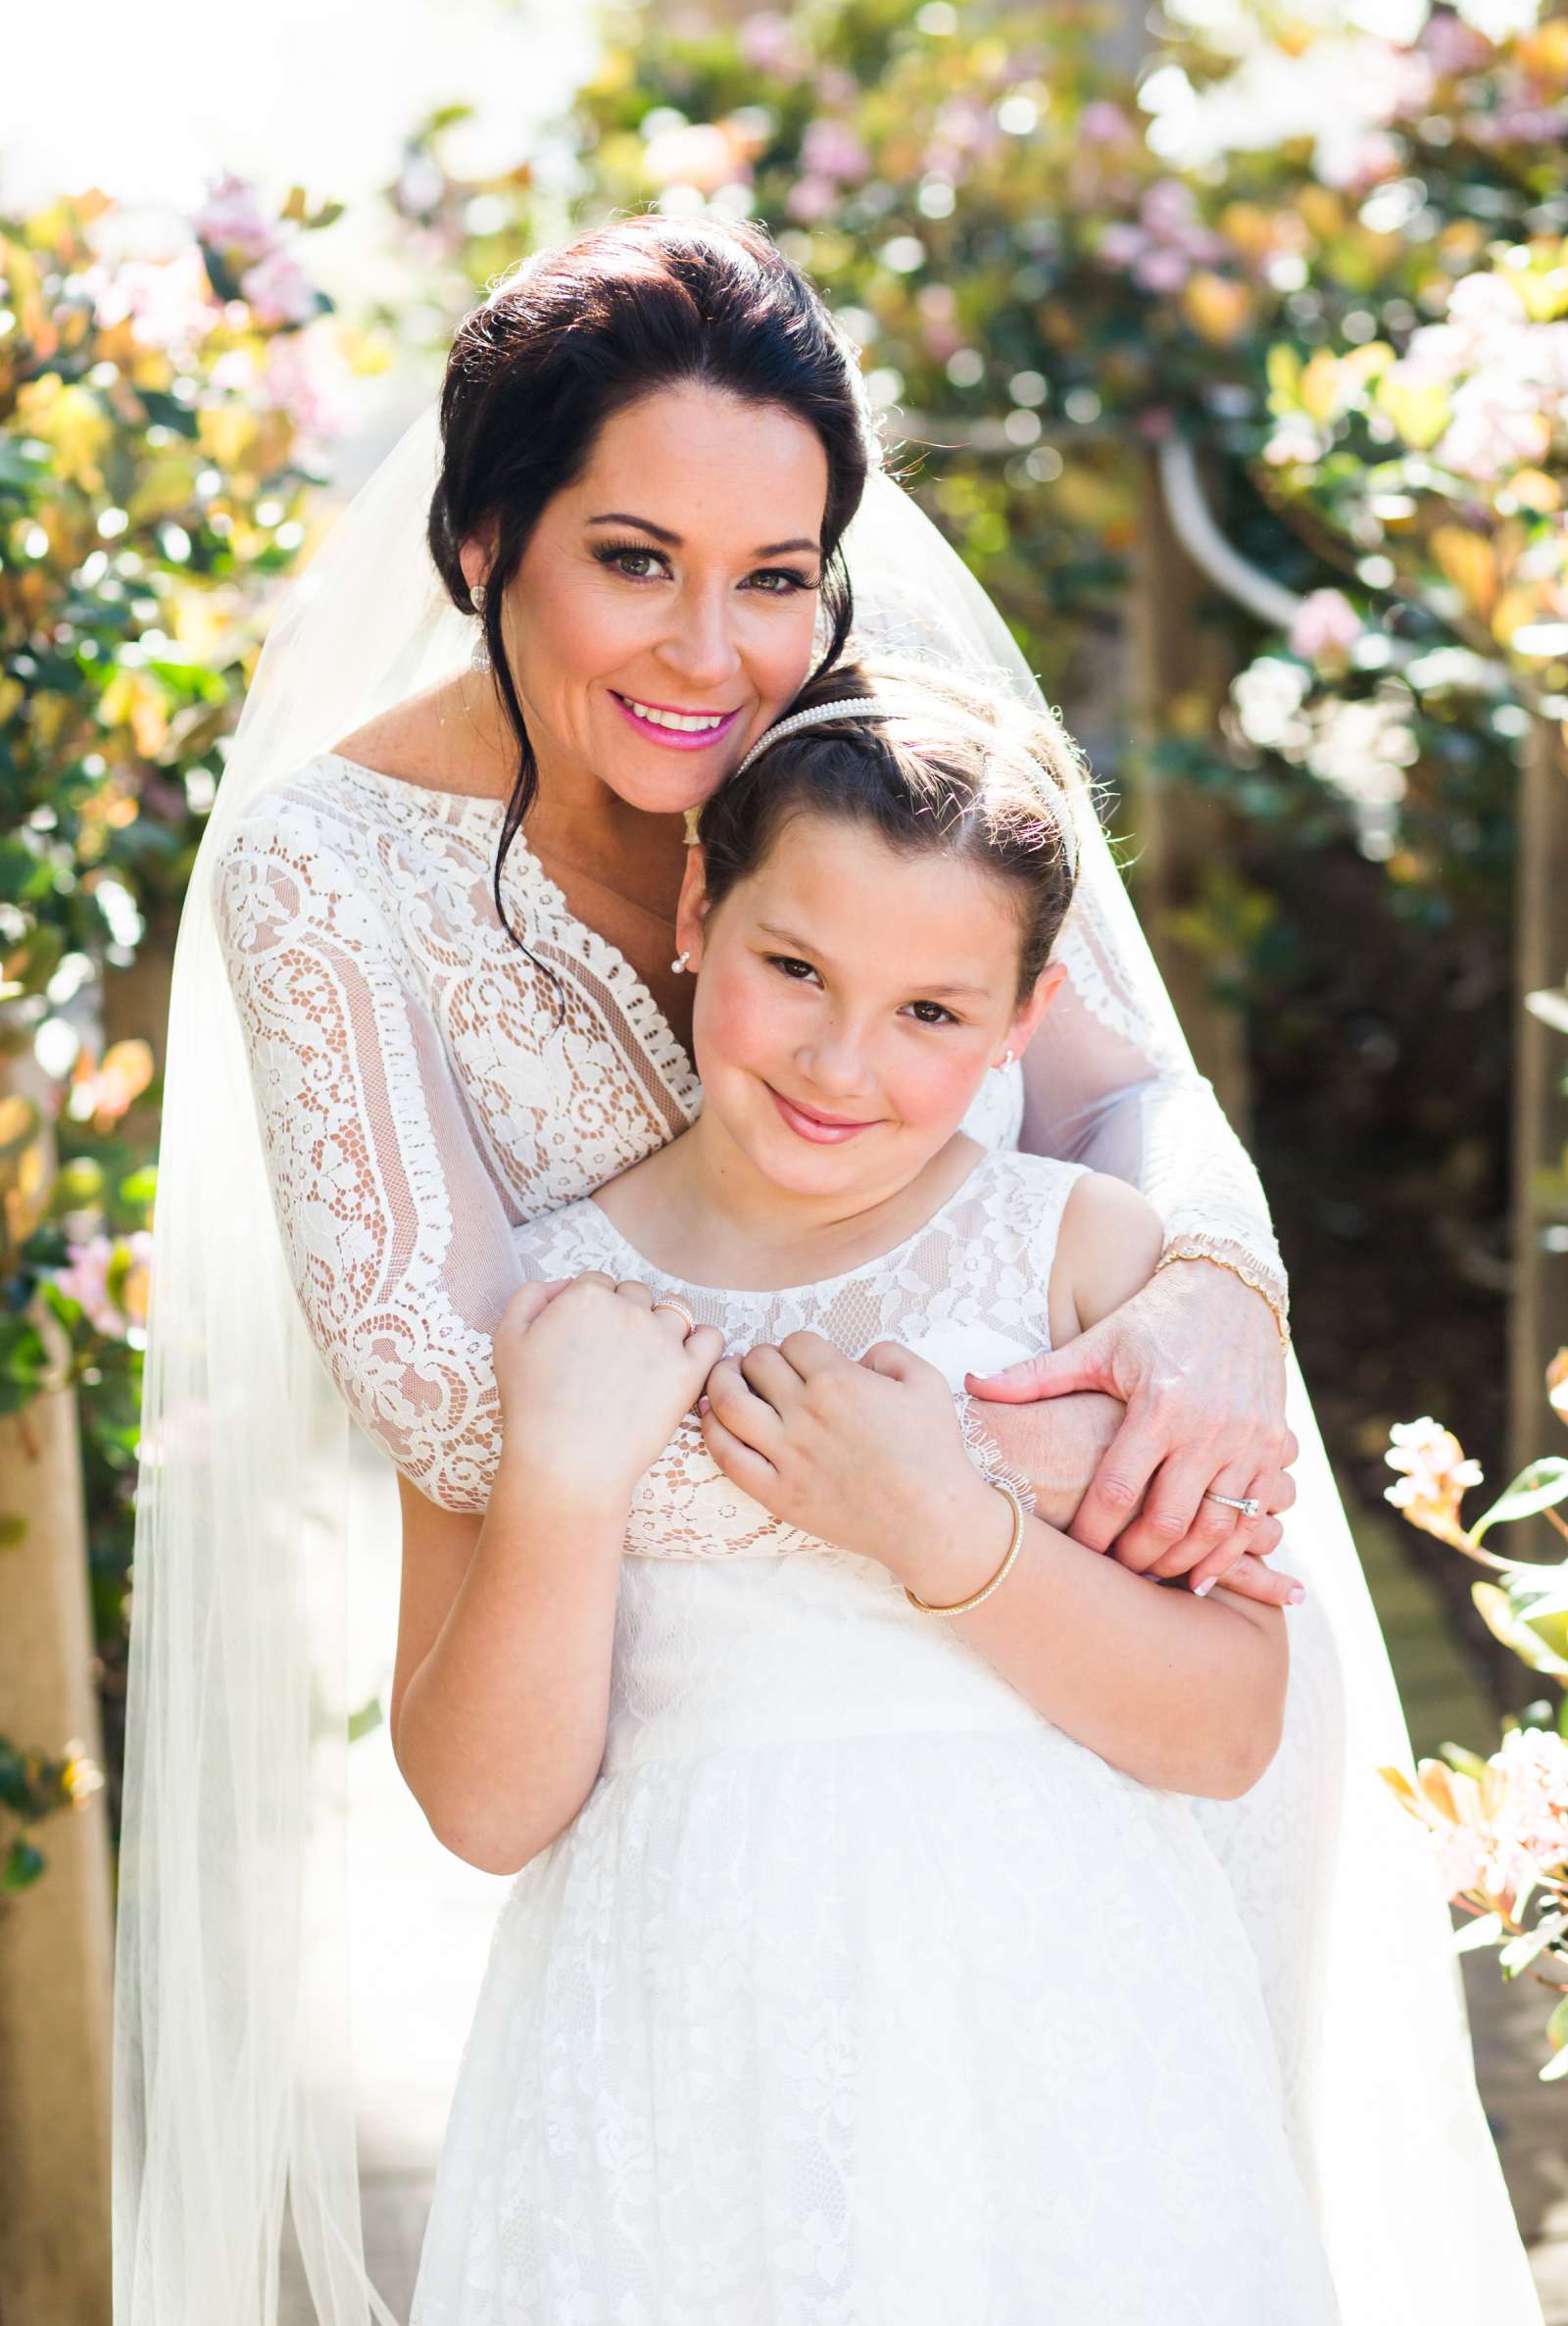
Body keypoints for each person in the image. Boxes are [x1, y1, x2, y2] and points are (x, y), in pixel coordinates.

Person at [113, 216, 1541, 2324]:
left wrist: (1201, 1308)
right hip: (693, 1778)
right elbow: (446, 1393)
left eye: (774, 576)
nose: (711, 654)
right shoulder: (327, 869)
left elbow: (1130, 1107)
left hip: (1066, 1768)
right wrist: (999, 1476)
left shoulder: (859, 761)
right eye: (633, 560)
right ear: (485, 533)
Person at [399, 659, 1340, 2322]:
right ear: (700, 906)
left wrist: (944, 1528)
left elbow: (1229, 1730)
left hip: (1054, 2050)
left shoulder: (1081, 1264)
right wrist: (559, 1486)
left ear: (1023, 1025)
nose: (844, 1061)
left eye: (932, 1014)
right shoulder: (547, 1308)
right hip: (674, 2050)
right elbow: (483, 1812)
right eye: (794, 967)